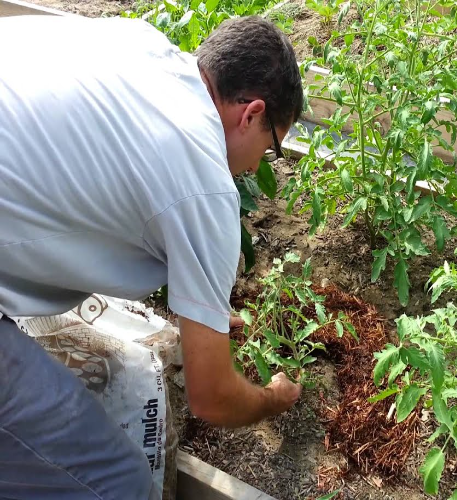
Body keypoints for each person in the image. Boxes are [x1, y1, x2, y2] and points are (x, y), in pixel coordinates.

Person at [0, 13, 304, 499]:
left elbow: (91, 191)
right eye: (270, 148)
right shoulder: (205, 182)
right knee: (114, 482)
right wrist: (271, 399)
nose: (255, 168)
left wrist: (201, 307)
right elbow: (211, 399)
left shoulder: (140, 43)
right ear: (251, 114)